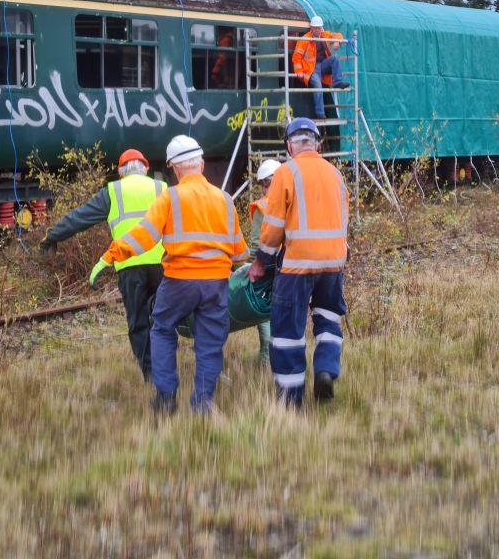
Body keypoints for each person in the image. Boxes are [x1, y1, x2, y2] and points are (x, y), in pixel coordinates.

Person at [90, 135, 249, 415]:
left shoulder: (170, 197)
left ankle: (166, 398)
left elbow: (143, 238)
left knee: (162, 329)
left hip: (179, 282)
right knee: (210, 342)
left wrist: (110, 256)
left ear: (175, 169)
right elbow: (240, 253)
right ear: (200, 164)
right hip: (215, 284)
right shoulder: (224, 199)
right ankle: (202, 404)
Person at [247, 118, 349, 406]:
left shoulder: (286, 173)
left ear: (289, 146)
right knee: (328, 320)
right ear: (317, 143)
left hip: (297, 266)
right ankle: (327, 370)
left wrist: (260, 262)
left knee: (288, 332)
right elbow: (343, 220)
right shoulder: (335, 174)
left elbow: (273, 227)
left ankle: (291, 399)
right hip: (333, 263)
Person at [40, 149, 166, 382]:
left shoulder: (114, 192)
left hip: (130, 266)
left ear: (120, 172)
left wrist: (53, 235)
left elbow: (81, 217)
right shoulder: (161, 188)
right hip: (162, 265)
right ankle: (166, 368)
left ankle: (151, 376)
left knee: (138, 323)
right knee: (163, 320)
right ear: (146, 168)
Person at [248, 159, 281, 363]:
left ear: (263, 183)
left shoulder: (263, 205)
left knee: (262, 310)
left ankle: (266, 356)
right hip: (291, 264)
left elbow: (255, 243)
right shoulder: (293, 199)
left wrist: (248, 267)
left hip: (267, 265)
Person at [292, 15, 350, 120]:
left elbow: (338, 35)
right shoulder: (304, 39)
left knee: (335, 58)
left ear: (321, 28)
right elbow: (296, 56)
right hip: (310, 69)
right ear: (311, 28)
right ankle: (320, 113)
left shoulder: (324, 35)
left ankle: (337, 83)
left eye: (319, 28)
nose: (317, 30)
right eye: (315, 28)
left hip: (322, 66)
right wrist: (299, 71)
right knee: (318, 86)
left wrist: (337, 41)